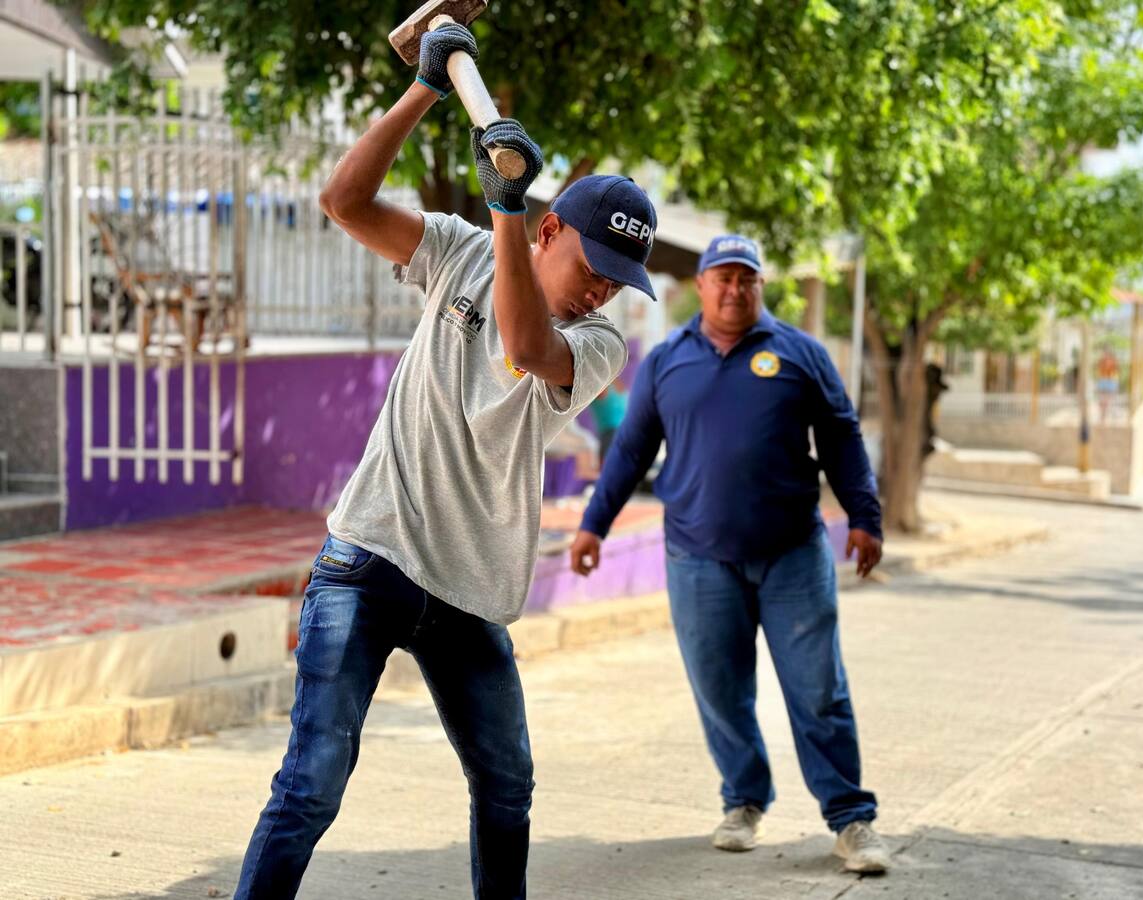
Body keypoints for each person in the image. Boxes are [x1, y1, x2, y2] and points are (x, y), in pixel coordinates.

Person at [233, 22, 657, 900]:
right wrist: (424, 86)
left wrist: (502, 206)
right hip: (371, 555)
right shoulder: (458, 248)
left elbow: (524, 343)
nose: (605, 286)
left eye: (621, 276)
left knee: (508, 788)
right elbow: (343, 202)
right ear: (551, 232)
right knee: (311, 783)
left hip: (471, 592)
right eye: (596, 262)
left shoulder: (598, 340)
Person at [570, 234, 891, 874]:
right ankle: (744, 799)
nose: (734, 289)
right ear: (702, 285)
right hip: (697, 557)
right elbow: (631, 451)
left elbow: (840, 437)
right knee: (720, 690)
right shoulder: (666, 361)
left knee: (818, 689)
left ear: (760, 287)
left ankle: (851, 819)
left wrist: (865, 516)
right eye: (723, 277)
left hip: (792, 555)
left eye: (747, 279)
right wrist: (593, 525)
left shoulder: (800, 354)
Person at [589, 378, 629, 464]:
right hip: (621, 433)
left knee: (606, 468)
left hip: (611, 433)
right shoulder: (618, 384)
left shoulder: (602, 385)